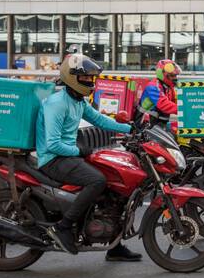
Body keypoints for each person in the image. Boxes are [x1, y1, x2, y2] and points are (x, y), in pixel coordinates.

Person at [35, 53, 137, 259]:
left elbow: (100, 120)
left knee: (114, 183)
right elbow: (52, 144)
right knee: (97, 180)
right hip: (53, 159)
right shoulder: (58, 103)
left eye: (92, 78)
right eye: (86, 78)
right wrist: (80, 151)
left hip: (67, 156)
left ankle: (113, 245)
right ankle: (63, 227)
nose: (90, 82)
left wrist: (131, 128)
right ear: (72, 77)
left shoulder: (78, 101)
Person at [138, 59, 181, 130]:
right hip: (145, 124)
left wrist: (188, 106)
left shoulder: (169, 87)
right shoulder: (153, 87)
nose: (175, 78)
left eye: (176, 76)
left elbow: (176, 100)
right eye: (172, 76)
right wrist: (184, 110)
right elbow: (164, 104)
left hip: (159, 123)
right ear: (163, 75)